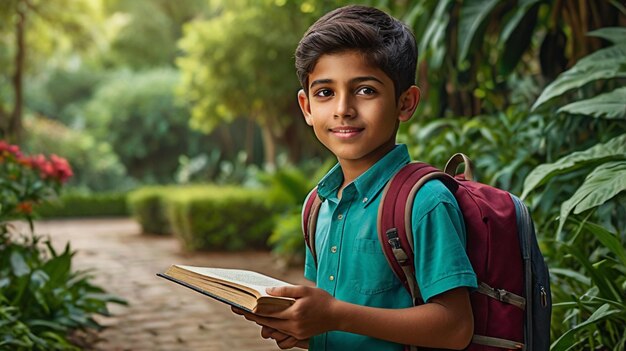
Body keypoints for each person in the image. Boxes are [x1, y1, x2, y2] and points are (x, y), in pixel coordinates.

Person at [233, 5, 477, 350]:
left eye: (365, 90)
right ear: (306, 107)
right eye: (325, 92)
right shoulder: (318, 205)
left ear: (405, 103)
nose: (343, 108)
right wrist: (305, 328)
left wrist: (334, 315)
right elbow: (339, 320)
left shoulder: (424, 202)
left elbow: (455, 327)